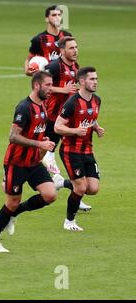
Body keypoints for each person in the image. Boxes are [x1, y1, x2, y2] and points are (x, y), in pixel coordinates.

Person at [0, 71, 57, 253]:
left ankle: (14, 214)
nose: (51, 88)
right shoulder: (24, 107)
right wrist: (40, 143)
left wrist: (44, 149)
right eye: (47, 85)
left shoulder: (43, 106)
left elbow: (36, 132)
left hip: (33, 162)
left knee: (50, 195)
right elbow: (13, 136)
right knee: (11, 203)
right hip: (16, 163)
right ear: (36, 85)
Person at [42, 37, 92, 211]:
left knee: (72, 154)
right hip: (53, 117)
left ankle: (75, 191)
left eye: (77, 47)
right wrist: (61, 90)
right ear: (62, 50)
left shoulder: (76, 67)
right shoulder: (55, 66)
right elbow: (41, 85)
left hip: (69, 117)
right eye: (71, 48)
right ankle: (59, 183)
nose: (75, 51)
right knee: (47, 153)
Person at [55, 66, 104, 231]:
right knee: (81, 187)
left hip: (88, 150)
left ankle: (61, 182)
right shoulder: (72, 103)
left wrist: (96, 127)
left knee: (93, 189)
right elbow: (57, 126)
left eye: (96, 79)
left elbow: (91, 116)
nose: (95, 82)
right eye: (92, 79)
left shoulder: (97, 100)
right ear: (82, 81)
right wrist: (75, 131)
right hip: (70, 150)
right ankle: (69, 221)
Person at [25, 5, 72, 76]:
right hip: (46, 79)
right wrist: (27, 71)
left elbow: (71, 58)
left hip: (63, 78)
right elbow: (29, 58)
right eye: (54, 15)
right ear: (47, 19)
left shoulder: (67, 36)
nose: (57, 17)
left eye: (59, 15)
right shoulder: (39, 39)